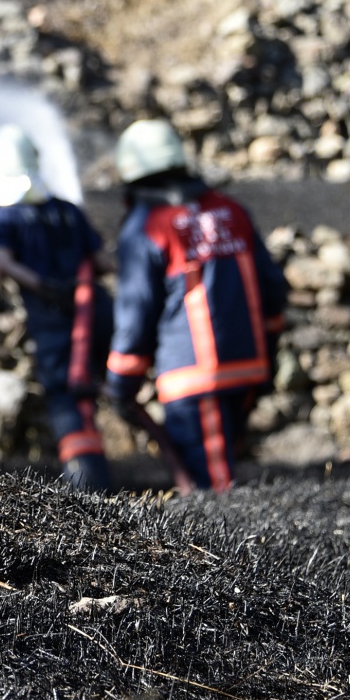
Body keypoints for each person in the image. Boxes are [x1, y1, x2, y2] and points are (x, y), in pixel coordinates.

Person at [104, 119, 288, 492]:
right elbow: (273, 291)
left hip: (193, 376)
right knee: (222, 473)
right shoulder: (230, 211)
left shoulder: (147, 226)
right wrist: (267, 352)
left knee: (212, 494)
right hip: (247, 366)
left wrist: (121, 381)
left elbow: (136, 313)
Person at [0, 125, 114, 493]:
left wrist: (43, 285)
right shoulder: (68, 211)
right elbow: (103, 261)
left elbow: (4, 262)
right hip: (97, 314)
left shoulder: (3, 216)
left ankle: (88, 488)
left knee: (66, 397)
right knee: (100, 388)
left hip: (55, 322)